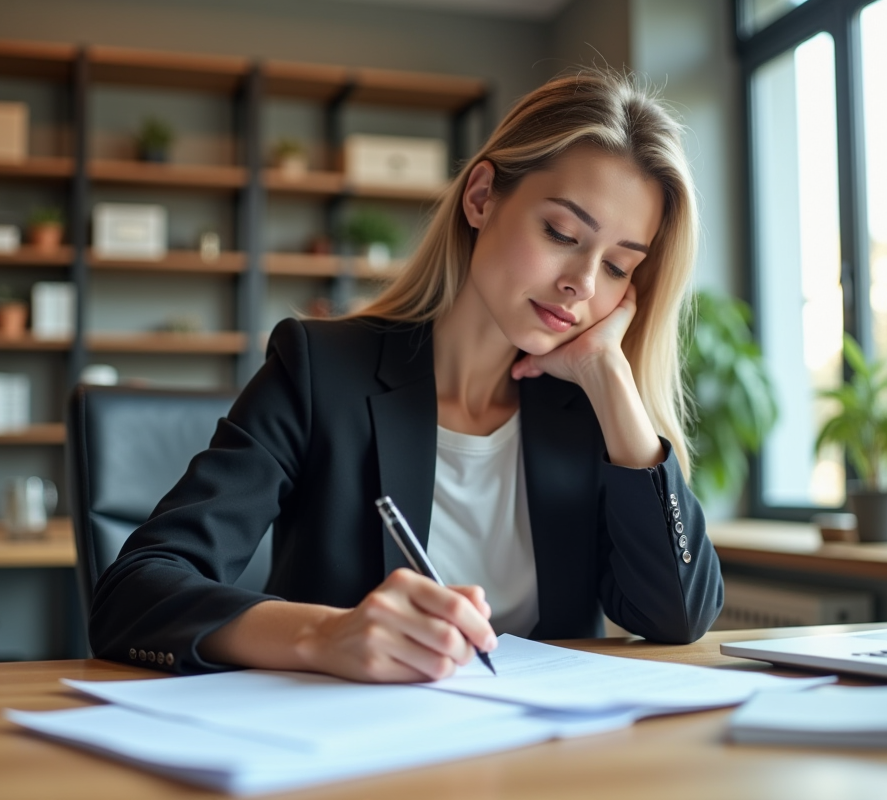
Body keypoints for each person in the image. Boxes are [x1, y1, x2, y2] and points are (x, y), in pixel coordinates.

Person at [90, 68, 724, 682]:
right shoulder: (320, 371)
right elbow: (135, 593)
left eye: (618, 267)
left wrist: (610, 376)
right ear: (481, 198)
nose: (582, 283)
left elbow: (677, 617)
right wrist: (322, 636)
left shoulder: (591, 415)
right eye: (561, 232)